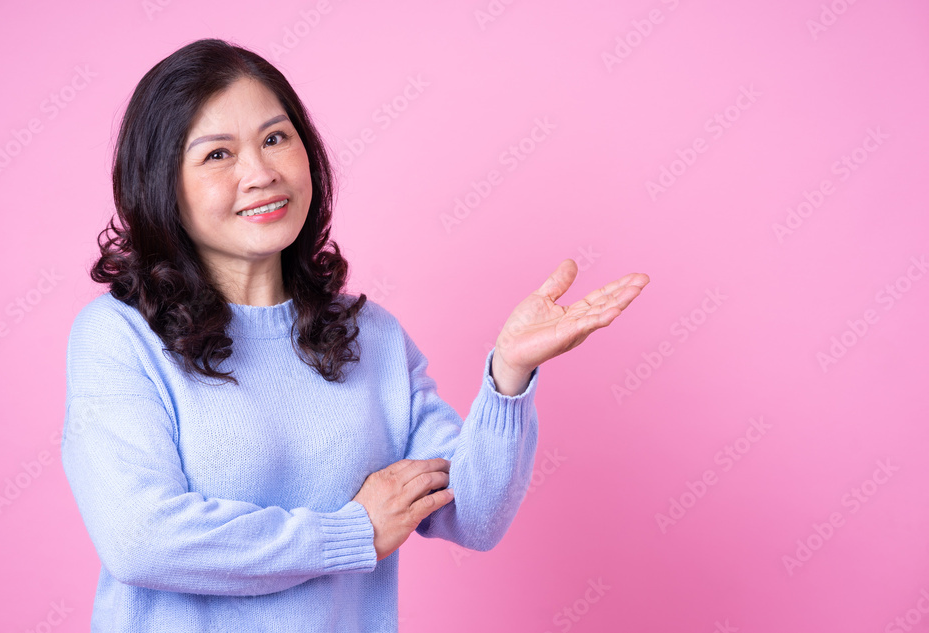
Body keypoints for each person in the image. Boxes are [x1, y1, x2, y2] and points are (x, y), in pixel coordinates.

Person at [60, 37, 650, 632]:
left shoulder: (368, 336)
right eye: (218, 155)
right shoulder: (119, 337)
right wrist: (354, 532)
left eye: (274, 138)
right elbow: (140, 538)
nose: (261, 173)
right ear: (163, 186)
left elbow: (472, 515)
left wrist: (509, 376)